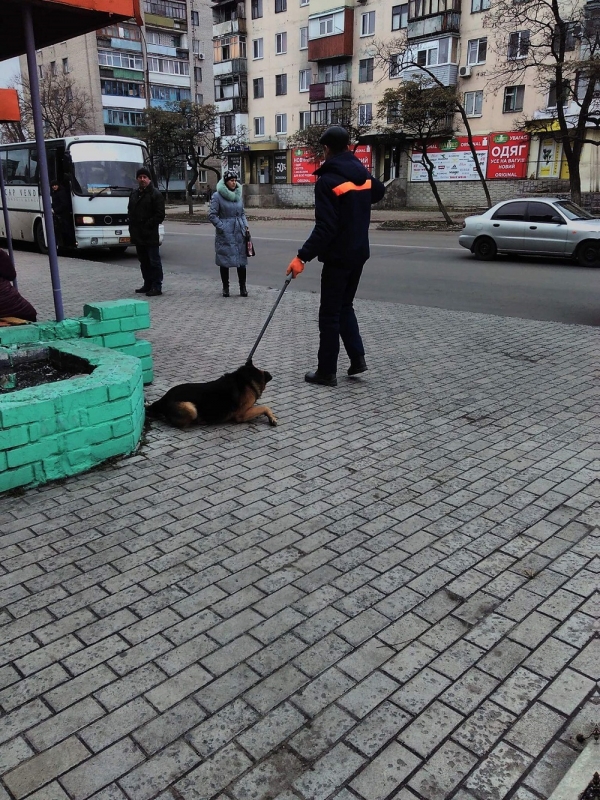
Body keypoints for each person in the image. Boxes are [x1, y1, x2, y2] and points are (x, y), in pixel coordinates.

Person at [286, 126, 385, 387]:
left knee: (329, 314)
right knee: (345, 306)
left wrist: (302, 257)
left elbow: (325, 228)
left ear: (327, 149)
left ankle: (326, 371)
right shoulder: (361, 174)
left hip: (338, 257)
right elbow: (379, 192)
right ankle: (357, 358)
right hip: (359, 253)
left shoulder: (328, 181)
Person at [208, 171, 249, 297]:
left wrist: (246, 226)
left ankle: (243, 287)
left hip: (239, 232)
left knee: (241, 261)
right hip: (225, 233)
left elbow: (242, 213)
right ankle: (225, 287)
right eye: (231, 180)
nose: (234, 182)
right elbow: (212, 215)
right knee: (224, 261)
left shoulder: (238, 194)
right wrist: (222, 227)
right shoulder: (217, 196)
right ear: (225, 182)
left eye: (235, 180)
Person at [127, 167, 165, 297]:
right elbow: (131, 212)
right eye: (140, 177)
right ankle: (147, 283)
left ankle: (157, 285)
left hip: (150, 234)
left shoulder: (156, 194)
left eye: (145, 177)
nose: (142, 179)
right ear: (137, 179)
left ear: (149, 179)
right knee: (143, 261)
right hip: (138, 235)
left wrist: (147, 224)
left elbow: (160, 215)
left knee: (154, 261)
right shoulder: (134, 194)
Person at [0, 249, 37, 322]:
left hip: (11, 306)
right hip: (16, 307)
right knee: (29, 313)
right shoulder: (0, 254)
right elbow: (11, 275)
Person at [50, 180, 75, 248]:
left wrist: (55, 210)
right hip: (60, 213)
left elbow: (64, 204)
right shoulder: (56, 192)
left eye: (55, 185)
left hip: (63, 214)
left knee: (64, 229)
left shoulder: (61, 192)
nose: (54, 187)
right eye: (53, 186)